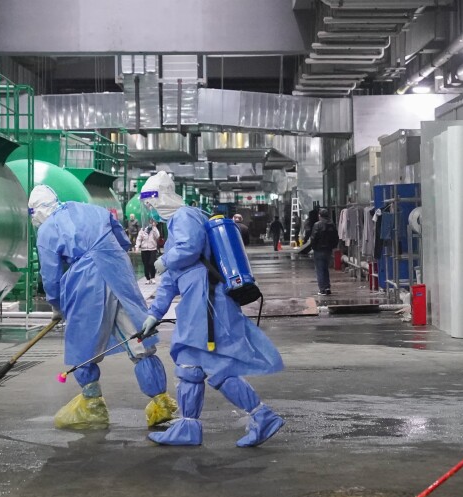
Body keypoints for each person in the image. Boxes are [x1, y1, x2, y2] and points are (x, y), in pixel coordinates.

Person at [138, 172, 285, 447]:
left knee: (204, 363)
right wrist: (154, 314)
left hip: (206, 302)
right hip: (200, 302)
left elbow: (189, 249)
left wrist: (165, 259)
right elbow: (171, 279)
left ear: (164, 195)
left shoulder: (185, 217)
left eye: (153, 199)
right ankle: (192, 425)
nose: (152, 207)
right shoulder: (176, 224)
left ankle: (258, 416)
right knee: (194, 364)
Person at [28, 185, 177, 430]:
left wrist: (57, 305)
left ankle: (91, 405)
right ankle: (160, 402)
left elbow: (51, 277)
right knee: (136, 336)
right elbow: (122, 238)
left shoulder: (46, 231)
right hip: (117, 268)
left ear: (36, 211)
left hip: (87, 280)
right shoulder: (89, 209)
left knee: (82, 342)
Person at [310, 208, 338, 296]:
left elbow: (313, 238)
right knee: (325, 269)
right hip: (328, 251)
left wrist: (314, 247)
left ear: (320, 215)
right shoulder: (332, 225)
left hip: (319, 250)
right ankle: (327, 287)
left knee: (320, 270)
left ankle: (322, 289)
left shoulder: (317, 225)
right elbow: (336, 238)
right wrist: (332, 247)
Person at [136, 219, 162, 284]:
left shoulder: (154, 229)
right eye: (150, 222)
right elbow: (139, 239)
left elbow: (157, 236)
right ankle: (147, 278)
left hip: (152, 249)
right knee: (146, 264)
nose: (151, 223)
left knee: (152, 263)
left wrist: (154, 228)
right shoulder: (142, 230)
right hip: (144, 249)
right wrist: (137, 247)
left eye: (152, 222)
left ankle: (153, 277)